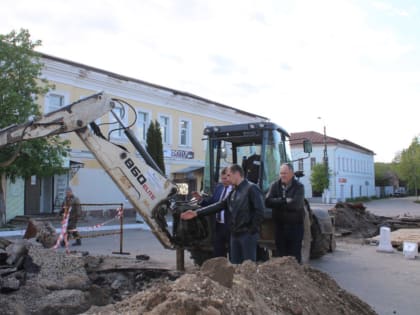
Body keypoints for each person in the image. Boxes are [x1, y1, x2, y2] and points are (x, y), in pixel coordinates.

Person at [182, 164, 264, 264]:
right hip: (235, 234)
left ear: (237, 174)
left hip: (247, 235)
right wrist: (196, 213)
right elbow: (219, 205)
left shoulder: (252, 188)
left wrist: (251, 230)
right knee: (235, 265)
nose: (227, 179)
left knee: (248, 266)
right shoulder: (234, 191)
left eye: (229, 175)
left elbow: (259, 211)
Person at [265, 163, 305, 263]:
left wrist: (277, 203)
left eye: (285, 173)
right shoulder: (275, 185)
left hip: (295, 227)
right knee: (280, 256)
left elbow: (296, 204)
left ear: (291, 174)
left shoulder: (299, 187)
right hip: (280, 227)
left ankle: (296, 277)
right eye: (281, 173)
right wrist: (284, 200)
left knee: (294, 257)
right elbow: (267, 201)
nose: (282, 175)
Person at [192, 167, 232, 258]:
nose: (223, 181)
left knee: (233, 252)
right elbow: (212, 204)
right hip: (218, 225)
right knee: (218, 252)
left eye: (225, 178)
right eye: (222, 179)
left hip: (230, 225)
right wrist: (200, 200)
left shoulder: (235, 189)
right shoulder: (219, 188)